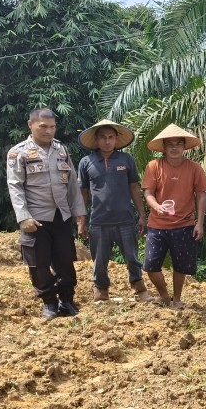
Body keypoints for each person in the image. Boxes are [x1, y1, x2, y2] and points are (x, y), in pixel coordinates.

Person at [6, 108, 87, 320]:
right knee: (39, 264)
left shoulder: (61, 150)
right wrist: (23, 217)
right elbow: (15, 186)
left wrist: (79, 213)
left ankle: (67, 300)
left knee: (65, 261)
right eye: (43, 126)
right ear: (30, 125)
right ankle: (49, 303)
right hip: (36, 218)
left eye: (52, 127)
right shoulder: (18, 153)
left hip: (61, 215)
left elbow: (72, 183)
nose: (48, 131)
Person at [77, 119, 154, 303]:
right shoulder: (86, 162)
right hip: (98, 221)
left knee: (132, 258)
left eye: (111, 137)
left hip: (125, 220)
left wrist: (143, 215)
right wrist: (81, 220)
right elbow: (83, 193)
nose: (107, 141)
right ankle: (101, 292)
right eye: (103, 137)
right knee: (99, 261)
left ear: (116, 139)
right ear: (96, 140)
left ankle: (140, 289)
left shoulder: (126, 160)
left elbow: (134, 187)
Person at [141, 124, 206, 308]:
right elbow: (148, 193)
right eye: (170, 144)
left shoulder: (194, 168)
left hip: (185, 224)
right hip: (157, 224)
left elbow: (201, 195)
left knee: (181, 266)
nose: (174, 147)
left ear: (184, 146)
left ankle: (177, 298)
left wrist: (199, 223)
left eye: (178, 143)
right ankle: (164, 295)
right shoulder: (154, 166)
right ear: (163, 147)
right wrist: (156, 207)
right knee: (150, 266)